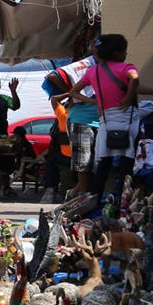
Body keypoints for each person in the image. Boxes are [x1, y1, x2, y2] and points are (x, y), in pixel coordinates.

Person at [66, 34, 140, 197]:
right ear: (116, 53)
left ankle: (95, 199)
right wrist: (128, 97)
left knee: (103, 165)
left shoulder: (93, 71)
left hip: (106, 122)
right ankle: (124, 199)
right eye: (124, 51)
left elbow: (73, 92)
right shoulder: (126, 67)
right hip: (128, 121)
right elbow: (134, 79)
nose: (126, 54)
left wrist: (95, 102)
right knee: (127, 164)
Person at [44, 55, 99, 199]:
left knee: (50, 160)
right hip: (71, 155)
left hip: (67, 157)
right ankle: (77, 192)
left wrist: (72, 94)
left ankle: (51, 189)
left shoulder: (63, 114)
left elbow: (55, 99)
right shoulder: (66, 114)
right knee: (89, 165)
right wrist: (75, 93)